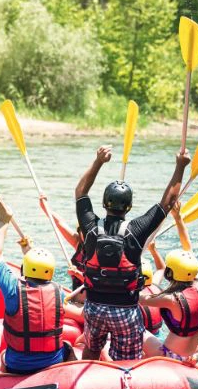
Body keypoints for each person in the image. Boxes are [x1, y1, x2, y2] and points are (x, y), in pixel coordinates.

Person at [75, 145, 191, 361]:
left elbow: (80, 192)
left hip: (94, 308)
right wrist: (180, 166)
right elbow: (167, 203)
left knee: (91, 349)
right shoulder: (137, 230)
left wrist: (98, 161)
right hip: (125, 310)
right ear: (128, 207)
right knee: (127, 360)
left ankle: (89, 364)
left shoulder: (90, 227)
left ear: (104, 203)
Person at [0, 203, 80, 374]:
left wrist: (4, 222)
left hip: (17, 365)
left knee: (2, 356)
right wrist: (28, 253)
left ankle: (6, 381)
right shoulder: (59, 292)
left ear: (25, 268)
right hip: (53, 362)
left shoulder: (13, 289)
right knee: (67, 346)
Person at [141, 203, 198, 363]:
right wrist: (178, 218)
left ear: (170, 273)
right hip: (194, 355)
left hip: (171, 355)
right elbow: (188, 248)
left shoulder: (171, 299)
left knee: (138, 329)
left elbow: (138, 298)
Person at [39, 195, 86, 294]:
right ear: (79, 231)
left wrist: (77, 274)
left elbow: (98, 283)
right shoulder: (78, 242)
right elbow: (59, 222)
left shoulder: (100, 251)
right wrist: (46, 208)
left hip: (93, 299)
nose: (86, 235)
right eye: (83, 231)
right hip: (75, 296)